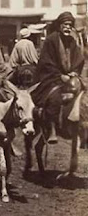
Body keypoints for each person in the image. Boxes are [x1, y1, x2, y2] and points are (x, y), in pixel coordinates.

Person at [33, 11, 85, 143]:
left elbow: (78, 59)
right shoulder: (51, 40)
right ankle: (52, 128)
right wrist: (60, 75)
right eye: (65, 25)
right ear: (59, 25)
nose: (67, 27)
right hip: (51, 77)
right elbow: (46, 61)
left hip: (69, 76)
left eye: (70, 25)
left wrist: (74, 72)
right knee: (55, 97)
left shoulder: (72, 41)